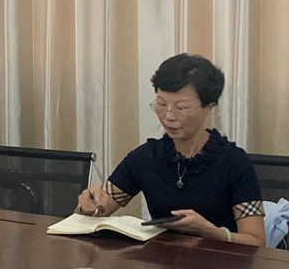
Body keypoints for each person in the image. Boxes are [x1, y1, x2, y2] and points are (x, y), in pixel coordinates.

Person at [74, 54, 266, 245]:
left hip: (221, 262)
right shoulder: (147, 157)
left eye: (181, 108)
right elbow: (100, 208)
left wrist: (212, 233)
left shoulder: (234, 161)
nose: (168, 116)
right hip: (161, 261)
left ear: (208, 107)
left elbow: (256, 241)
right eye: (161, 104)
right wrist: (88, 205)